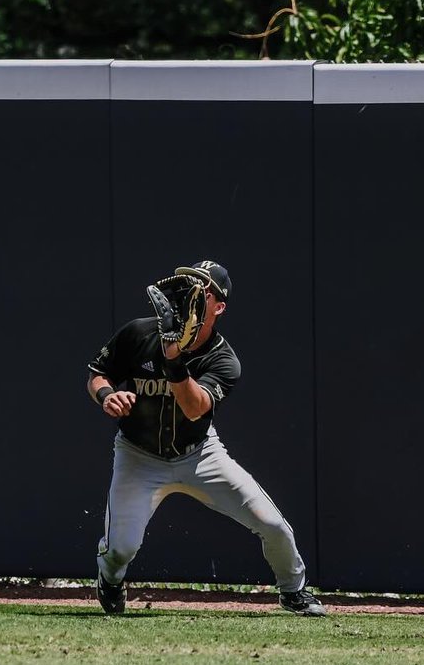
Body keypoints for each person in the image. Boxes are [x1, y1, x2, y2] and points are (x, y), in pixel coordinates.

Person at [85, 260, 326, 616]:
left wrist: (173, 359)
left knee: (273, 524)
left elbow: (194, 408)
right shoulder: (139, 332)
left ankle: (293, 591)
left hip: (199, 455)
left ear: (219, 306)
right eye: (189, 285)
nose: (192, 294)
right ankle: (110, 579)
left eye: (204, 290)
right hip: (139, 455)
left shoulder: (224, 359)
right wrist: (106, 395)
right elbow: (97, 374)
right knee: (121, 549)